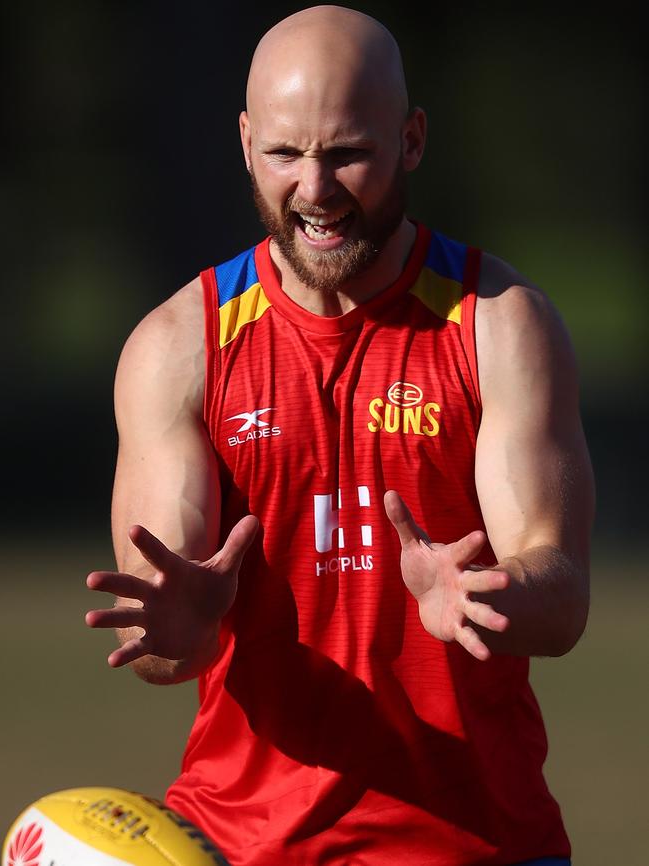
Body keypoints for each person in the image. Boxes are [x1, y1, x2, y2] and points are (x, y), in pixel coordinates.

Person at [86, 5, 595, 865]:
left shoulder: (497, 326)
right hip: (240, 844)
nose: (315, 190)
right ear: (246, 142)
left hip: (474, 843)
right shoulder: (180, 348)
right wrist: (178, 633)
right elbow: (161, 630)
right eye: (285, 153)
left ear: (412, 139)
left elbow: (562, 591)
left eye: (347, 153)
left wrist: (491, 595)